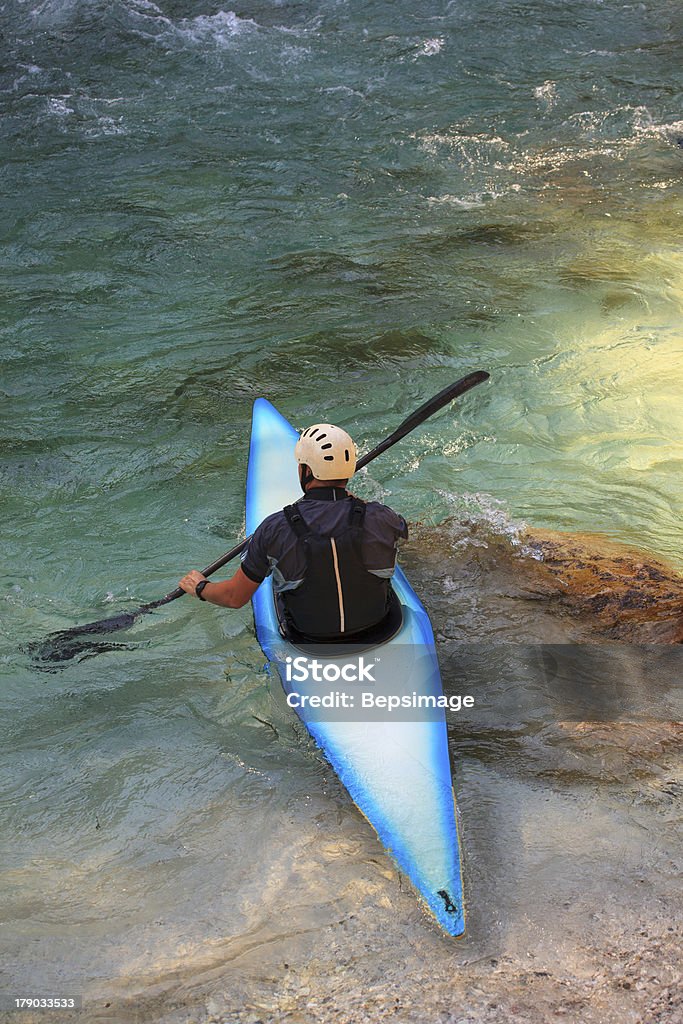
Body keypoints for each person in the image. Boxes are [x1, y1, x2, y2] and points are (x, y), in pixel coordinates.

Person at [178, 422, 408, 642]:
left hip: (311, 638)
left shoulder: (274, 528)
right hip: (378, 627)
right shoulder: (383, 517)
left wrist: (201, 588)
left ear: (305, 470)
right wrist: (361, 508)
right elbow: (400, 529)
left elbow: (234, 597)